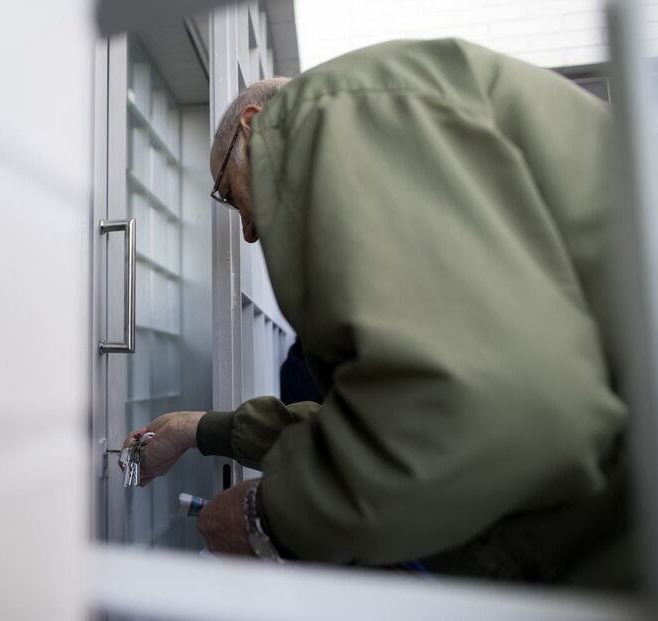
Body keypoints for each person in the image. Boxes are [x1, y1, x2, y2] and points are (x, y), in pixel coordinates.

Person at [126, 39, 634, 588]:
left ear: (254, 126)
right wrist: (198, 430)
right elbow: (411, 409)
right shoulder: (396, 129)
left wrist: (264, 520)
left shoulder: (321, 120)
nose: (246, 230)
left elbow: (465, 408)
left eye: (229, 193)